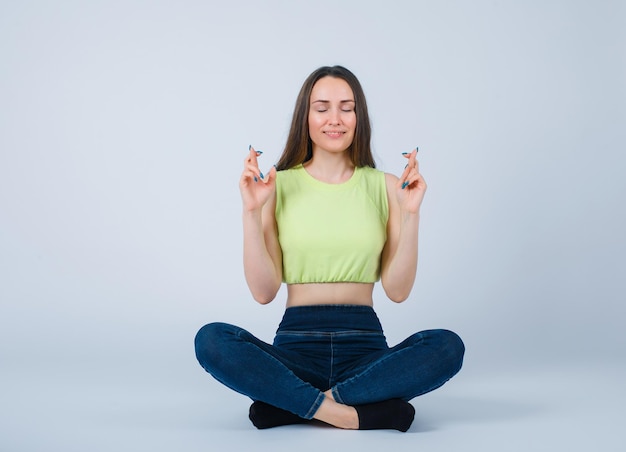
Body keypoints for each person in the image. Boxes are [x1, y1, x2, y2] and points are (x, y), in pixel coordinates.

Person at [194, 65, 464, 432]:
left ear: (359, 116)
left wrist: (412, 213)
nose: (334, 119)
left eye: (346, 108)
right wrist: (252, 210)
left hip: (365, 348)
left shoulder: (387, 187)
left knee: (447, 346)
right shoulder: (275, 185)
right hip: (295, 347)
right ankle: (354, 413)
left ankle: (292, 404)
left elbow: (398, 292)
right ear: (305, 116)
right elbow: (263, 292)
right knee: (212, 339)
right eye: (322, 108)